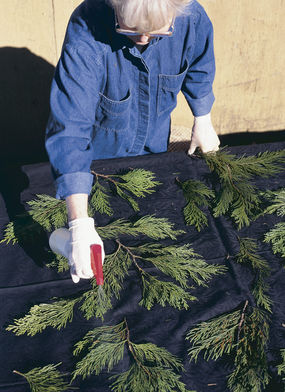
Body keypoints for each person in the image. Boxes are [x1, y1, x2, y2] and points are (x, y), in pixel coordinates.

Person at [45, 0, 220, 283]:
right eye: (130, 29)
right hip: (98, 160)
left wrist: (203, 117)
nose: (142, 39)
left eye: (156, 33)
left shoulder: (191, 18)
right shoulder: (87, 27)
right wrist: (78, 223)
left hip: (155, 146)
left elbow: (200, 65)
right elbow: (70, 126)